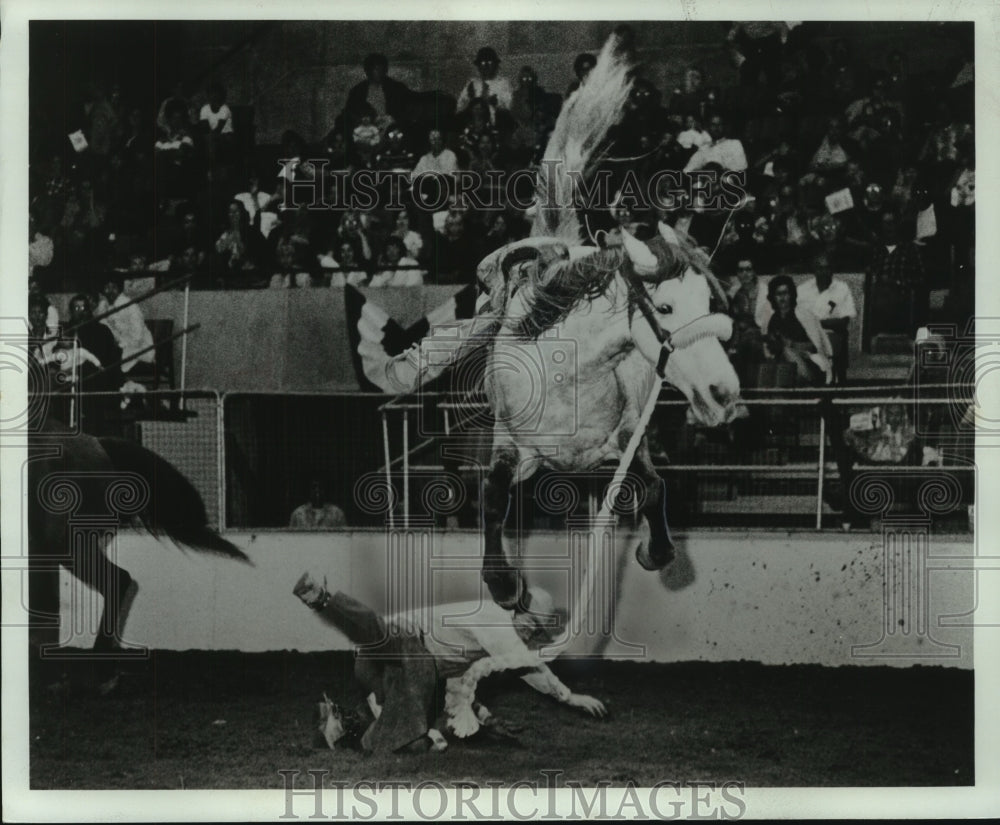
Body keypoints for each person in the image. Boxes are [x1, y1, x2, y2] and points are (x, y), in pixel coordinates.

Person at [293, 573, 606, 754]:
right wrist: (569, 697)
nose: (531, 633)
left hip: (393, 671)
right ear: (518, 611)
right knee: (386, 636)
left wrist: (483, 717)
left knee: (412, 744)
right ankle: (326, 600)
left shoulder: (483, 642)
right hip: (396, 652)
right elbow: (527, 666)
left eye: (536, 630)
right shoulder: (496, 621)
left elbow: (459, 684)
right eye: (532, 624)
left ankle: (341, 723)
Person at [795, 253, 856, 384]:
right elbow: (796, 317)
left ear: (832, 269)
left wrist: (815, 323)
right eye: (820, 268)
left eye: (827, 268)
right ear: (814, 270)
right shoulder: (802, 290)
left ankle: (831, 382)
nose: (824, 272)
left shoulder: (842, 288)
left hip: (832, 336)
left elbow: (843, 322)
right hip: (806, 335)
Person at [764, 275, 833, 386]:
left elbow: (815, 346)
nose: (782, 297)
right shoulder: (773, 319)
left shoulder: (803, 315)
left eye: (785, 293)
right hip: (784, 366)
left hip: (812, 364)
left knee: (786, 351)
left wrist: (791, 344)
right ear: (773, 297)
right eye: (778, 294)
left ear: (791, 294)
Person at [343, 53, 413, 136]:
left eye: (382, 69)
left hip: (393, 131)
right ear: (368, 71)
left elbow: (408, 110)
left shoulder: (397, 88)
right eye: (376, 69)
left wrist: (393, 121)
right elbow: (350, 114)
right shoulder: (358, 91)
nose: (380, 72)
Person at [97, 277, 155, 375]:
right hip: (116, 348)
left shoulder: (130, 306)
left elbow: (138, 338)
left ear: (120, 289)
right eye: (107, 287)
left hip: (139, 348)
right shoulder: (103, 306)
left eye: (114, 287)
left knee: (108, 360)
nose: (110, 291)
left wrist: (119, 345)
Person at [456, 47, 513, 125]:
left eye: (490, 63)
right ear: (478, 66)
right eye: (482, 63)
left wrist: (497, 104)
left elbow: (510, 106)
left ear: (495, 65)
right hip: (475, 125)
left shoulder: (503, 83)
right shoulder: (472, 83)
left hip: (498, 124)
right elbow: (460, 106)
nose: (486, 66)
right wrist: (471, 102)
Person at [682, 113, 748, 173]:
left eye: (719, 124)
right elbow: (687, 170)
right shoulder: (704, 148)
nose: (716, 127)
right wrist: (704, 170)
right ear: (708, 127)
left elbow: (741, 167)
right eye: (713, 125)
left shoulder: (734, 144)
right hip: (707, 180)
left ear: (724, 126)